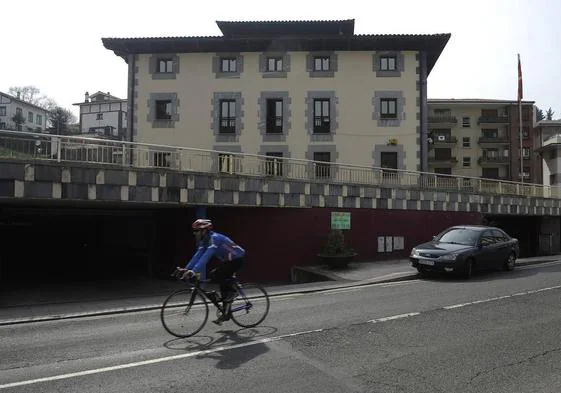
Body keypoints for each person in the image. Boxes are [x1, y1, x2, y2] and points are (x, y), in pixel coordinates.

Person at [176, 218, 245, 325]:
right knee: (217, 278)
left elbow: (207, 256)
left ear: (205, 230)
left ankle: (233, 291)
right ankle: (226, 312)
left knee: (218, 274)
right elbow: (198, 255)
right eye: (193, 231)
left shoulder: (215, 238)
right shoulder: (205, 240)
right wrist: (187, 268)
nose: (194, 233)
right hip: (228, 261)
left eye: (197, 231)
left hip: (238, 258)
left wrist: (194, 271)